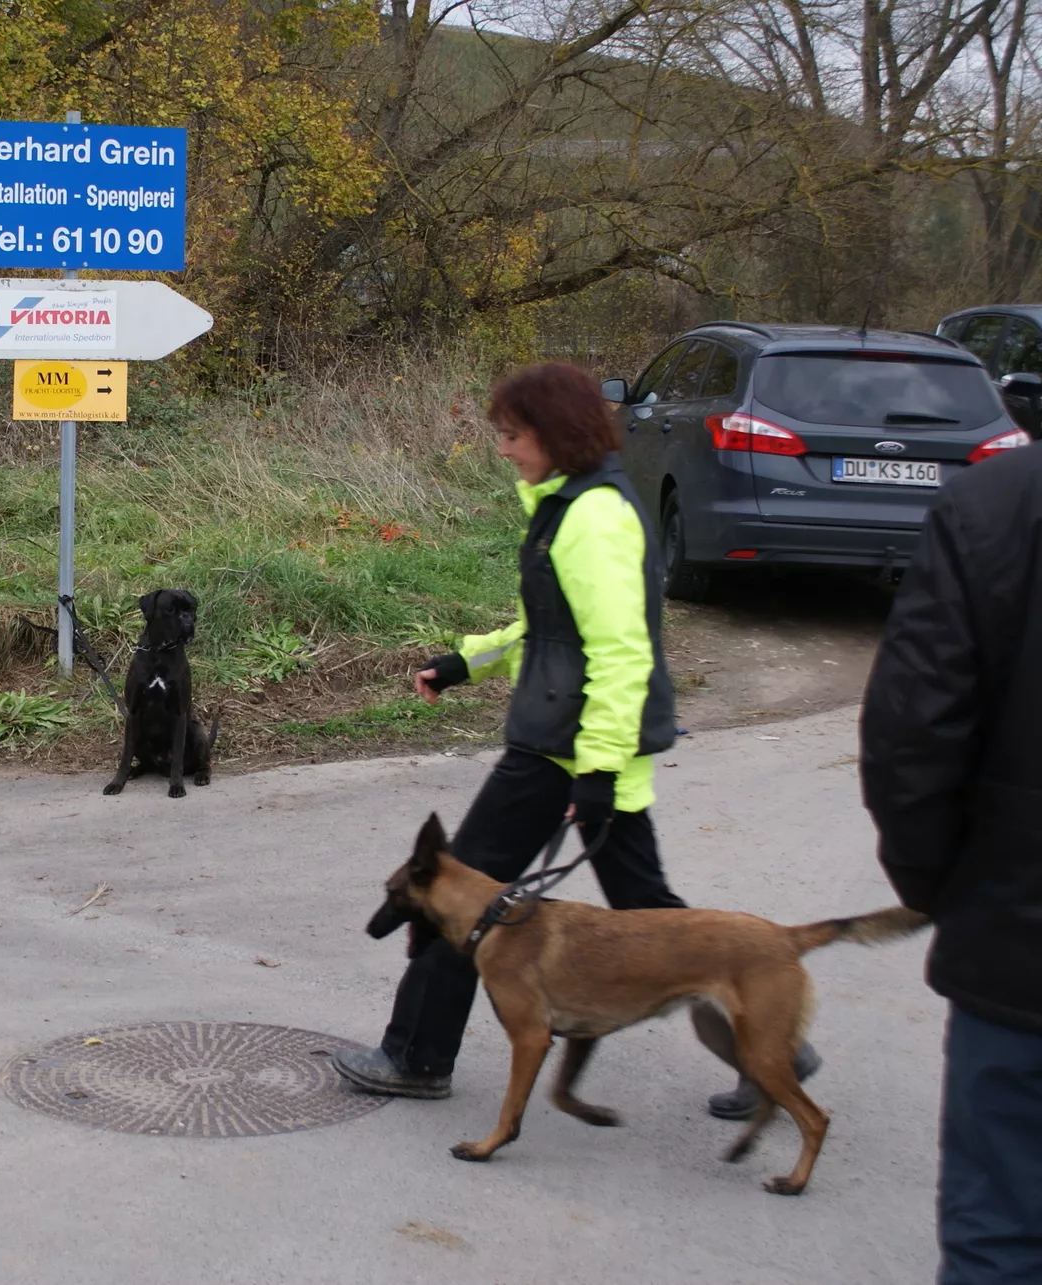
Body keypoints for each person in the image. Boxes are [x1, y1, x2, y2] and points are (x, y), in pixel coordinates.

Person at [333, 361, 815, 1105]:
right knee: (656, 918)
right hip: (576, 746)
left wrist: (595, 771)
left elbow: (621, 653)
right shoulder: (569, 506)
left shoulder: (594, 519)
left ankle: (416, 1056)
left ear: (555, 435)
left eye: (512, 435)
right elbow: (550, 630)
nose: (503, 449)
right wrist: (465, 663)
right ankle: (779, 1049)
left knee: (454, 894)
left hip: (568, 752)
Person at [860, 440, 1042, 1283]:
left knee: (1001, 1237)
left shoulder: (997, 503)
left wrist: (945, 889)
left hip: (1020, 955)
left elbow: (911, 736)